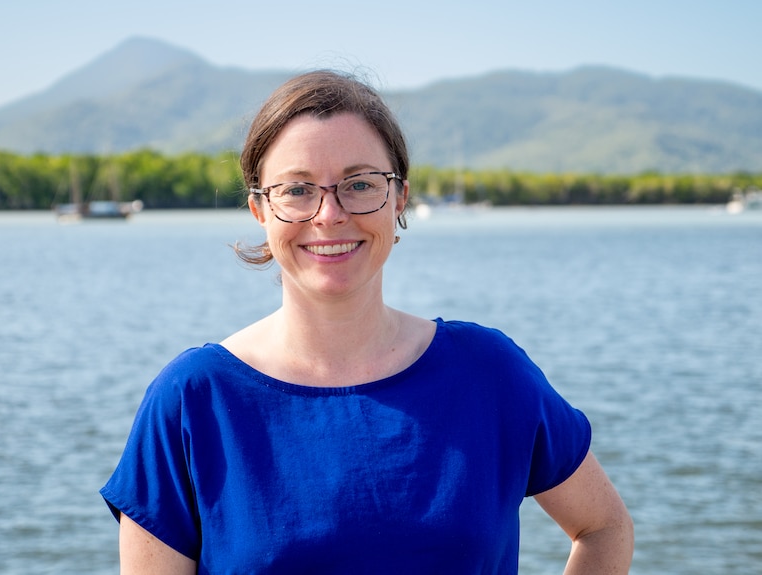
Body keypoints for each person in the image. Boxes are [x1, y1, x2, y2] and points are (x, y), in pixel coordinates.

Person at [101, 70, 633, 574]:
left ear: (399, 196)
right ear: (260, 209)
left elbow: (603, 526)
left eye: (359, 184)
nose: (329, 214)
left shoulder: (489, 373)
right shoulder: (193, 400)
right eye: (297, 188)